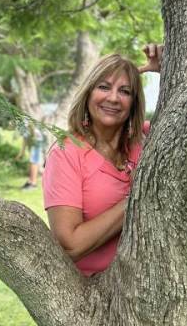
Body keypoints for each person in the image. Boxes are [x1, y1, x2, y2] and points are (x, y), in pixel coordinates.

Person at [42, 43, 162, 276]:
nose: (114, 98)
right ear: (88, 94)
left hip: (151, 283)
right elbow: (70, 245)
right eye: (104, 87)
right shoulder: (67, 153)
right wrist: (135, 199)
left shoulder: (145, 138)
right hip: (96, 293)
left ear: (134, 103)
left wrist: (167, 71)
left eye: (125, 91)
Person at [16, 122, 44, 190]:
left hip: (36, 138)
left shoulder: (26, 119)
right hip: (33, 137)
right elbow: (25, 138)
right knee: (32, 161)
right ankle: (30, 181)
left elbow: (31, 126)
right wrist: (22, 152)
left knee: (34, 161)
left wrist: (22, 152)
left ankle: (33, 183)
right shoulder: (24, 125)